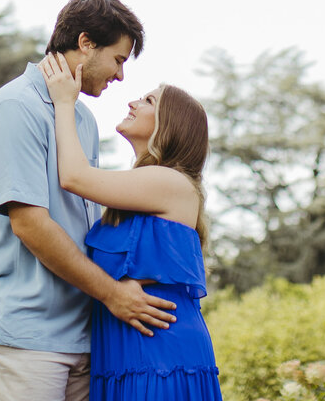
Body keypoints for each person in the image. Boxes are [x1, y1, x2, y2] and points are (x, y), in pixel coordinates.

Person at [0, 0, 178, 401]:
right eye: (118, 59)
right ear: (85, 43)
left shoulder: (79, 118)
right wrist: (114, 294)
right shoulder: (15, 106)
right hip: (25, 333)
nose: (120, 76)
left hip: (82, 333)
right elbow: (30, 223)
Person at [40, 50, 224, 401]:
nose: (133, 101)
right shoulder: (139, 192)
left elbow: (75, 177)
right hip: (126, 353)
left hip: (160, 356)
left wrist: (65, 103)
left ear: (169, 124)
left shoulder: (169, 182)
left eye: (148, 100)